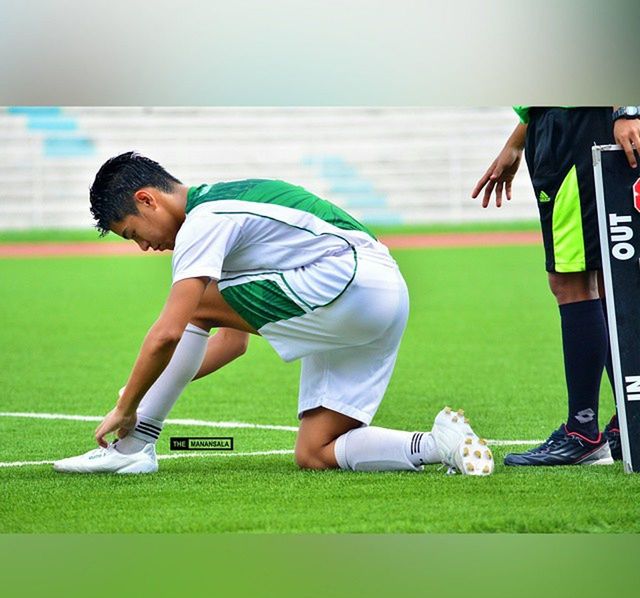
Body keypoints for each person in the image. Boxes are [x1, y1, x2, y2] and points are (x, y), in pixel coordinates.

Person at [54, 152, 494, 476]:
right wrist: (145, 387)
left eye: (133, 234)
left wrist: (131, 405)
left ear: (147, 199)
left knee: (197, 308)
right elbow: (233, 343)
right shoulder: (221, 205)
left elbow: (171, 333)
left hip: (348, 284)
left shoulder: (205, 221)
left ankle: (135, 445)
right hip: (377, 297)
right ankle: (441, 444)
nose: (144, 247)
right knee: (317, 451)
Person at [472, 106, 640, 466]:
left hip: (575, 129)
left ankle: (583, 432)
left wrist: (627, 111)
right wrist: (519, 140)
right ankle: (627, 423)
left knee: (573, 279)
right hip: (557, 125)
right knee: (597, 275)